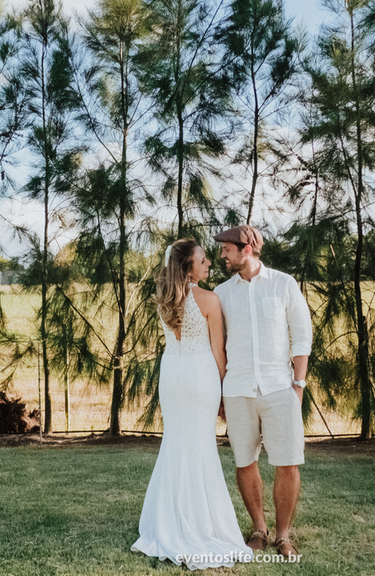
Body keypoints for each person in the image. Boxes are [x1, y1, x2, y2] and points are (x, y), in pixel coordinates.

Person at [131, 238, 253, 570]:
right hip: (200, 376)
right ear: (188, 268)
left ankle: (167, 521)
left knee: (175, 443)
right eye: (202, 260)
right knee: (200, 445)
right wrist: (225, 395)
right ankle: (202, 524)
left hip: (172, 376)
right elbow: (219, 353)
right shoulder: (209, 300)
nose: (209, 263)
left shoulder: (164, 300)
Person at [213, 224, 312, 559]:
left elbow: (301, 336)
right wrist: (221, 392)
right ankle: (259, 529)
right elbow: (217, 346)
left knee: (287, 463)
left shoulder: (284, 284)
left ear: (247, 248)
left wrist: (297, 384)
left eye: (227, 250)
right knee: (244, 461)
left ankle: (283, 535)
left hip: (280, 387)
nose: (222, 256)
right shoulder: (222, 293)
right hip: (237, 388)